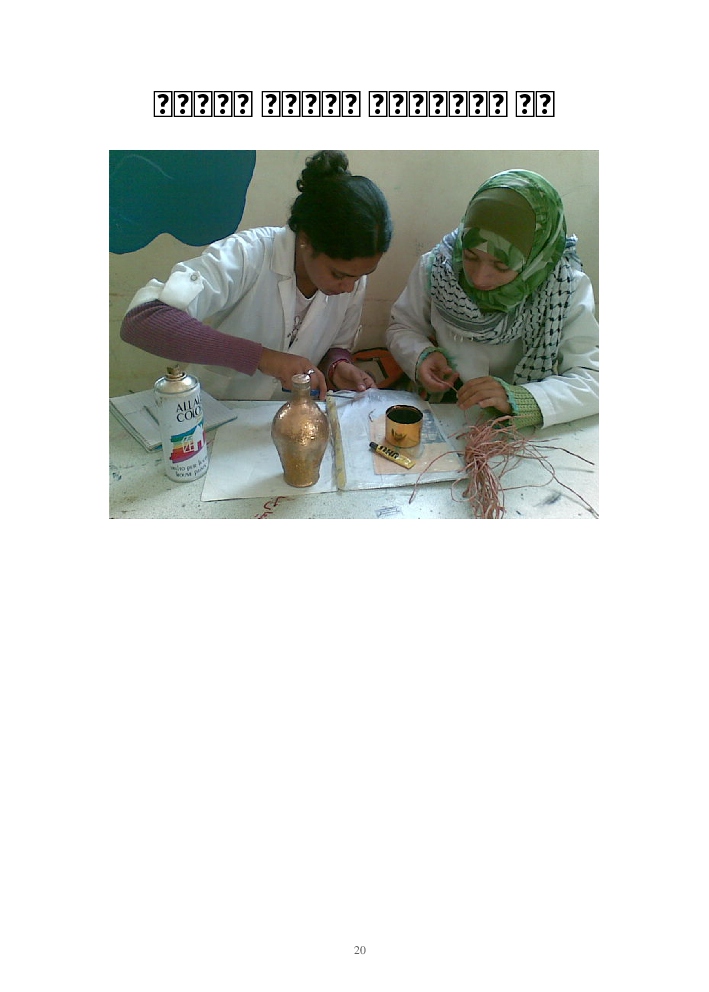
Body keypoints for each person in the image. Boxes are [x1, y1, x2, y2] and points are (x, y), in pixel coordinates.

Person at [120, 150, 392, 400]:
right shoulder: (247, 255)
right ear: (306, 240)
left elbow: (336, 345)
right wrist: (263, 357)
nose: (349, 287)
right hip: (216, 410)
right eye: (338, 274)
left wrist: (337, 365)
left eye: (361, 275)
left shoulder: (352, 280)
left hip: (288, 417)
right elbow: (143, 321)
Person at [385, 169, 598, 428]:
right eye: (470, 257)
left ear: (534, 260)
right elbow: (403, 326)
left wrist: (522, 399)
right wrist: (421, 356)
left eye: (501, 266)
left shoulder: (565, 288)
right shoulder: (439, 268)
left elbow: (593, 380)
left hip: (520, 427)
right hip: (447, 412)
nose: (479, 278)